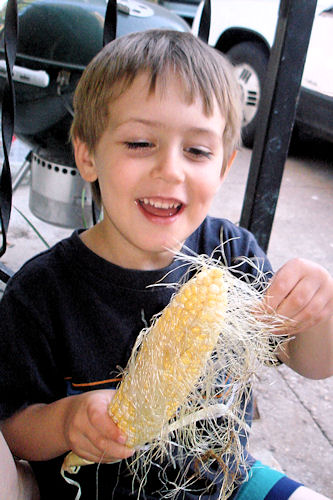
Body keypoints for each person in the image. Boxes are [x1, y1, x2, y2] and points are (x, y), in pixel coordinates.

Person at [0, 30, 332, 500]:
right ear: (87, 154)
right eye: (139, 142)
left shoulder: (231, 254)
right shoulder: (41, 294)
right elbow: (11, 427)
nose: (171, 170)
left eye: (196, 150)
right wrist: (66, 422)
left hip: (224, 485)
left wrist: (318, 309)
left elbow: (312, 363)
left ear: (224, 165)